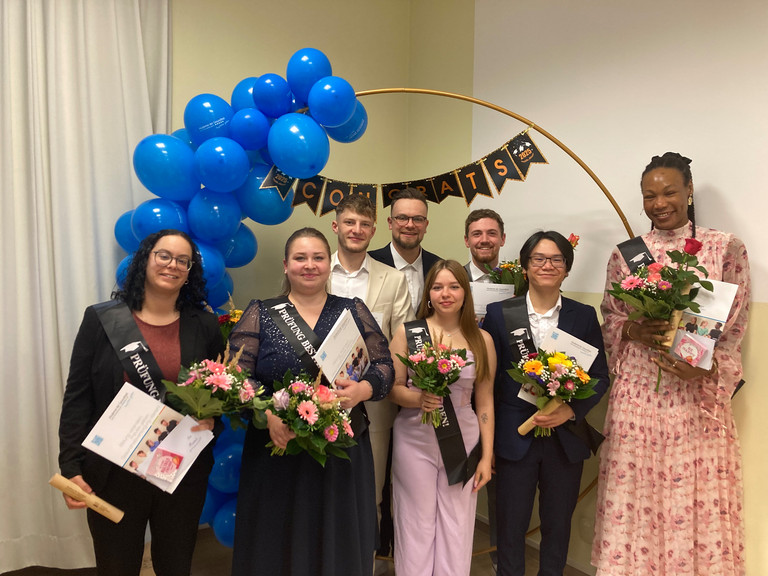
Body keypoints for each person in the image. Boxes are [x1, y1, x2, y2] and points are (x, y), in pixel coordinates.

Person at [592, 152, 750, 575]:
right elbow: (611, 318)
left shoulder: (724, 248)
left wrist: (706, 368)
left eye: (669, 192)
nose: (659, 203)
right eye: (649, 196)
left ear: (689, 190)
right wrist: (634, 330)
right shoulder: (627, 254)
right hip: (639, 395)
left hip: (694, 395)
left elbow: (734, 330)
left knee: (691, 496)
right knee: (635, 492)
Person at [58, 229, 225, 576]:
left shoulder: (205, 325)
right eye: (163, 255)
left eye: (183, 260)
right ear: (145, 260)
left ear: (190, 271)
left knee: (175, 566)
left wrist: (212, 422)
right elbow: (78, 397)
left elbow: (219, 395)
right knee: (116, 566)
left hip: (178, 471)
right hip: (111, 472)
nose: (172, 265)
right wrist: (71, 467)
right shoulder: (102, 319)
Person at [229, 227, 395, 576]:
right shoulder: (262, 312)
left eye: (318, 257)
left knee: (337, 538)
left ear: (327, 264)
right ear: (285, 265)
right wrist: (268, 413)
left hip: (340, 448)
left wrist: (363, 390)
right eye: (300, 258)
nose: (309, 265)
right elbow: (237, 377)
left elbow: (384, 365)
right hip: (277, 449)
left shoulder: (352, 310)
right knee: (278, 538)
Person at [483, 231, 609, 576]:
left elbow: (600, 376)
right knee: (510, 525)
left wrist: (571, 410)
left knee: (557, 525)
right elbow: (487, 383)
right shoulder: (499, 314)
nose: (547, 265)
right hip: (514, 437)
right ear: (525, 266)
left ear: (567, 268)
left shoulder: (583, 315)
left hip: (564, 439)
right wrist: (487, 443)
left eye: (556, 259)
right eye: (538, 258)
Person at [388, 260, 496, 576]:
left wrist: (486, 457)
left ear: (465, 292)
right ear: (428, 293)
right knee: (415, 523)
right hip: (414, 439)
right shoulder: (408, 332)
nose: (445, 294)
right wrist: (418, 398)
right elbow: (393, 389)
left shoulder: (482, 339)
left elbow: (485, 401)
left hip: (464, 440)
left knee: (457, 524)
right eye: (437, 287)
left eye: (453, 286)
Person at [327, 193, 414, 568]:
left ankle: (364, 565)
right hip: (318, 397)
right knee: (321, 490)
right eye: (349, 222)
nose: (356, 230)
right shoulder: (315, 269)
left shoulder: (393, 280)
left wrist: (375, 383)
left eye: (364, 224)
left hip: (374, 404)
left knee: (371, 492)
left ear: (374, 230)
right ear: (336, 226)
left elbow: (402, 344)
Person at [369, 187, 443, 313]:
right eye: (402, 218)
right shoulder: (369, 263)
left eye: (418, 219)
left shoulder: (438, 267)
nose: (410, 225)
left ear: (426, 225)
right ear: (390, 223)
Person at [463, 208, 506, 283]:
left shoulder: (518, 280)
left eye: (491, 233)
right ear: (467, 241)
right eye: (477, 234)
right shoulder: (454, 278)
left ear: (502, 239)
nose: (484, 240)